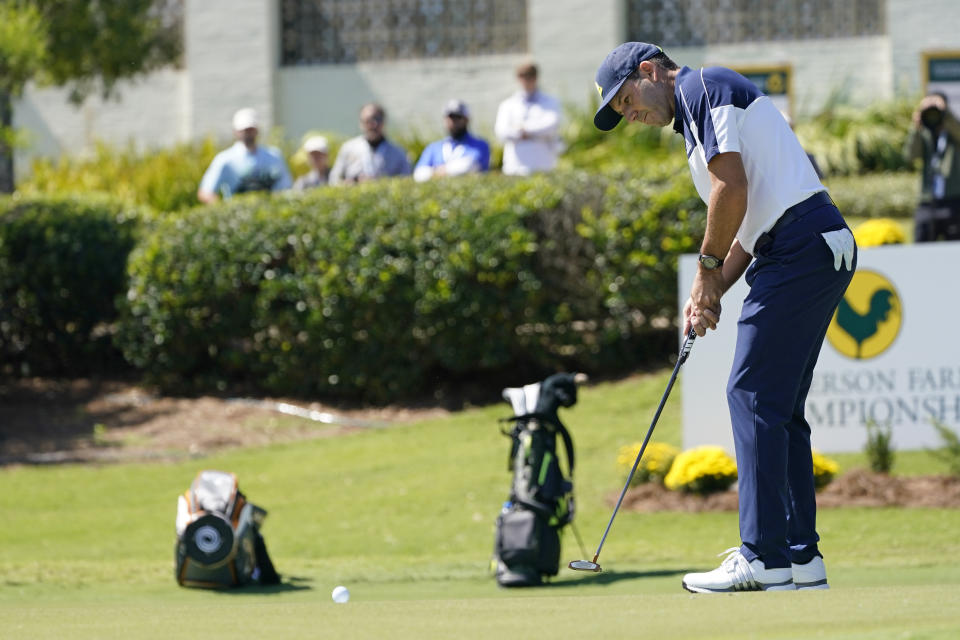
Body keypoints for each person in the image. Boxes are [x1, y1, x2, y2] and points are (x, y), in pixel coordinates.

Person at [592, 42, 856, 593]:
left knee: (752, 395)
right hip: (810, 244)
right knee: (778, 408)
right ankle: (799, 556)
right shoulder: (694, 115)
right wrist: (708, 292)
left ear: (648, 72)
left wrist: (706, 273)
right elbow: (743, 224)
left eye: (625, 101)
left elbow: (729, 190)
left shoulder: (699, 87)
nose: (630, 115)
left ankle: (762, 557)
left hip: (799, 246)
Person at [197, 108, 292, 203]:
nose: (247, 133)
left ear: (257, 130)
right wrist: (221, 208)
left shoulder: (274, 156)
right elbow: (205, 192)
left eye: (250, 129)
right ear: (235, 131)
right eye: (244, 130)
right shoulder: (224, 159)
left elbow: (286, 187)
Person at [905, 91, 960, 242]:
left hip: (954, 200)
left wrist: (945, 112)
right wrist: (916, 127)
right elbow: (910, 156)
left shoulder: (953, 133)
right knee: (921, 243)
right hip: (927, 201)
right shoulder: (924, 134)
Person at [495, 62, 562, 176]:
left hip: (543, 165)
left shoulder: (550, 102)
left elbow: (551, 125)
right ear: (518, 78)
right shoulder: (507, 105)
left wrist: (523, 129)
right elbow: (501, 131)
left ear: (536, 77)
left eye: (530, 75)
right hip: (514, 167)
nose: (527, 80)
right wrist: (532, 130)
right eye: (523, 76)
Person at [329, 103, 411, 184]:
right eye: (368, 120)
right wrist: (349, 183)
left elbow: (407, 181)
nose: (373, 124)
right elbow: (334, 179)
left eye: (377, 119)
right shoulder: (348, 148)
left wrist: (381, 182)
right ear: (361, 123)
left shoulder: (398, 153)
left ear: (384, 122)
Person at [413, 99, 490, 182]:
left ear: (466, 120)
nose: (453, 122)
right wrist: (442, 172)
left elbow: (471, 165)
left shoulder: (480, 145)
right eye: (451, 117)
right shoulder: (433, 147)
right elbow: (419, 173)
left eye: (458, 118)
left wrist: (436, 172)